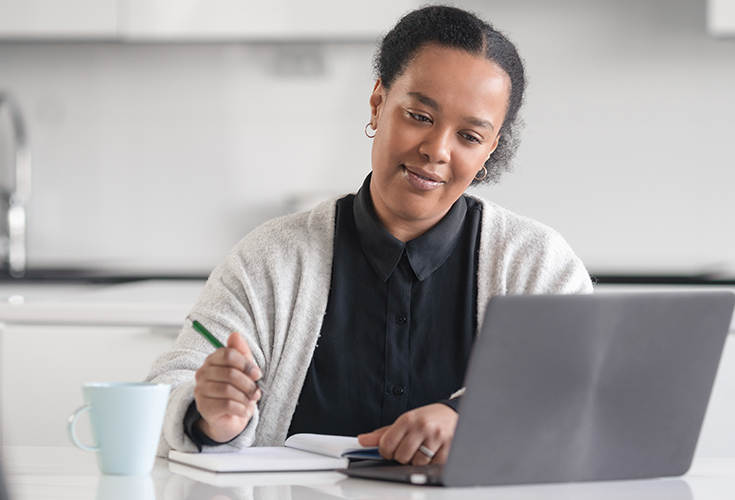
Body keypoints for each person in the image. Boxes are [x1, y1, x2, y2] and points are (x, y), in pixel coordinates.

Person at [146, 5, 592, 466]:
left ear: (489, 149)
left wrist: (472, 416)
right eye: (420, 115)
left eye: (469, 136)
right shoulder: (270, 259)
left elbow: (585, 394)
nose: (436, 150)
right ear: (378, 103)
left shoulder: (538, 264)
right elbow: (172, 385)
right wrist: (208, 415)